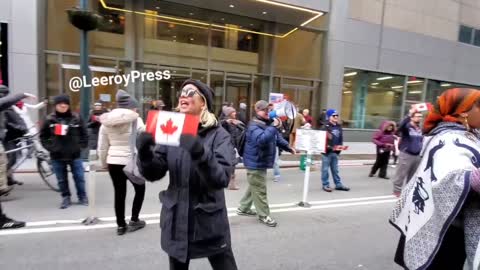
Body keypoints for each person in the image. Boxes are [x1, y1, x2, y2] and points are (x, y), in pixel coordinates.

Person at [137, 79, 238, 270]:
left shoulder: (219, 135)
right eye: (182, 92)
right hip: (176, 220)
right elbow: (154, 173)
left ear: (203, 103)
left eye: (191, 92)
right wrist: (144, 153)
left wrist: (200, 153)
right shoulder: (171, 129)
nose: (184, 95)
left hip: (209, 222)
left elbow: (222, 178)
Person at [390, 88, 480, 270]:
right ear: (463, 111)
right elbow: (453, 180)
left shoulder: (469, 135)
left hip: (450, 224)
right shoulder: (447, 138)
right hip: (444, 230)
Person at [237, 100, 296, 227]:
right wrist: (274, 127)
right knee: (260, 189)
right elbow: (262, 140)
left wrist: (288, 147)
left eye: (269, 110)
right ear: (257, 110)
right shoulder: (253, 125)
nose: (268, 112)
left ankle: (243, 208)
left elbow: (277, 138)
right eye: (265, 110)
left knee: (255, 185)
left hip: (260, 161)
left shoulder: (267, 123)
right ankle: (264, 215)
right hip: (255, 162)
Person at [98, 90, 146, 235]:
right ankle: (134, 219)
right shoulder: (136, 120)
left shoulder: (105, 122)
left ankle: (120, 226)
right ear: (131, 107)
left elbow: (102, 146)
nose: (136, 110)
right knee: (140, 188)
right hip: (130, 160)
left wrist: (104, 163)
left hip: (113, 162)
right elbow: (145, 137)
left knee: (119, 193)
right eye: (135, 107)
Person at [40, 94, 89, 209]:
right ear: (56, 105)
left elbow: (84, 132)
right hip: (57, 155)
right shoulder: (49, 119)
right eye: (60, 104)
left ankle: (82, 196)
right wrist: (51, 147)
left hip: (75, 154)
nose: (63, 106)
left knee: (79, 177)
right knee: (61, 179)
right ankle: (66, 197)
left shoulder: (76, 117)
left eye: (65, 104)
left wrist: (81, 145)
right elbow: (43, 136)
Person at [0, 86, 36, 196]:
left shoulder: (8, 106)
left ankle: (7, 179)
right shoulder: (5, 104)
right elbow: (10, 120)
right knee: (4, 160)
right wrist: (23, 94)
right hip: (7, 136)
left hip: (10, 135)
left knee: (9, 158)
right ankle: (2, 185)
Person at [392, 107, 424, 197]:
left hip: (417, 155)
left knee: (413, 175)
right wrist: (409, 114)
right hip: (406, 154)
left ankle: (408, 190)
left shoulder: (420, 129)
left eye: (420, 116)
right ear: (412, 118)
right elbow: (400, 126)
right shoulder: (406, 127)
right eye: (417, 116)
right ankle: (397, 190)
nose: (419, 118)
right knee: (401, 173)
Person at [321, 109, 350, 192]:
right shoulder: (325, 127)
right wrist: (328, 147)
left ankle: (338, 184)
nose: (336, 117)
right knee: (325, 169)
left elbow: (340, 139)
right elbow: (321, 140)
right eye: (334, 115)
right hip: (326, 152)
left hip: (335, 152)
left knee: (335, 169)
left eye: (337, 115)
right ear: (329, 117)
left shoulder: (339, 126)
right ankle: (325, 185)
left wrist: (340, 148)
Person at [220, 106, 245, 190]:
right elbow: (217, 125)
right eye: (233, 112)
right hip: (226, 146)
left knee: (232, 164)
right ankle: (231, 183)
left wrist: (238, 124)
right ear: (229, 114)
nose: (235, 113)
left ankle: (229, 182)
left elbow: (243, 129)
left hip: (234, 146)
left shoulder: (235, 122)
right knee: (231, 164)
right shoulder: (224, 123)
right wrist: (225, 122)